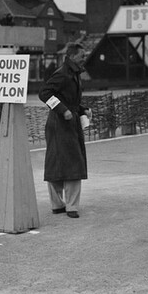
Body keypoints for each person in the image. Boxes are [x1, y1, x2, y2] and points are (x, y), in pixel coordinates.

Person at [38, 42, 90, 219]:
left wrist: (82, 109)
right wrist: (63, 110)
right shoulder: (63, 74)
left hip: (68, 122)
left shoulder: (72, 73)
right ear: (72, 56)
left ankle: (63, 205)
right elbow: (43, 93)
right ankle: (67, 206)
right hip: (59, 124)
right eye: (82, 55)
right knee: (66, 162)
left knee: (65, 162)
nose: (84, 58)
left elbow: (68, 98)